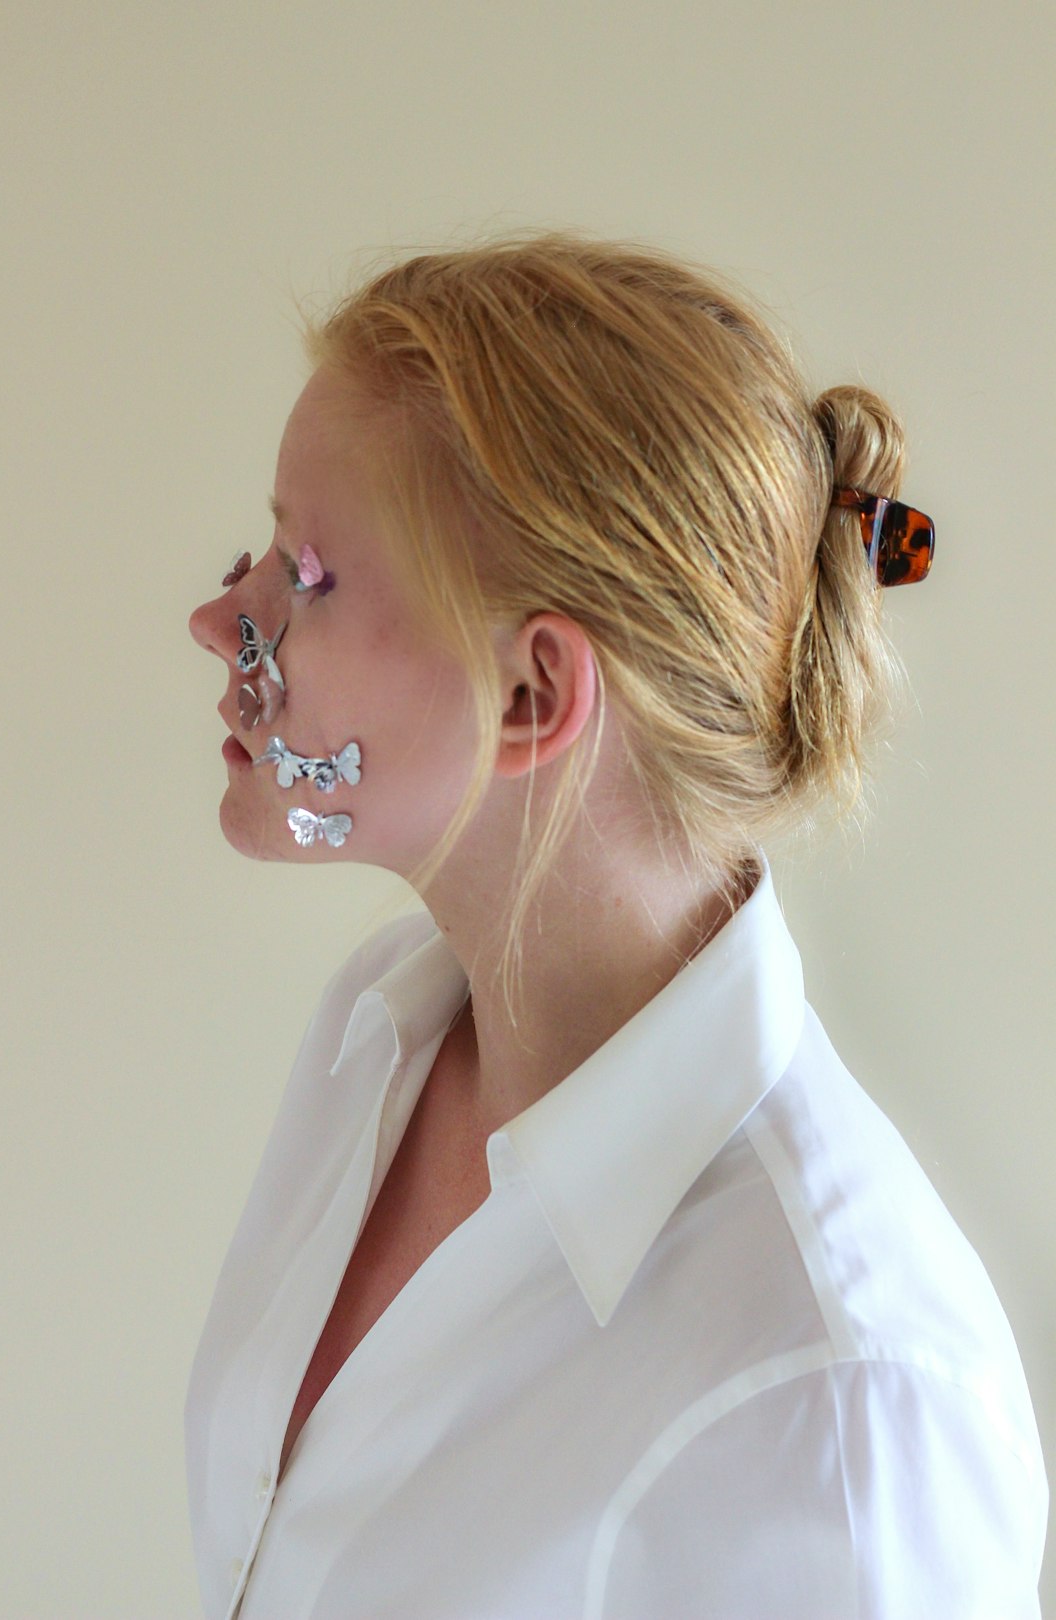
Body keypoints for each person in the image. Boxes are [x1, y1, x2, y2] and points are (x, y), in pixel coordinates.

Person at [186, 231, 1047, 1619]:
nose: (222, 618)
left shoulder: (839, 1407)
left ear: (534, 696)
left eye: (306, 572)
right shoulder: (377, 1038)